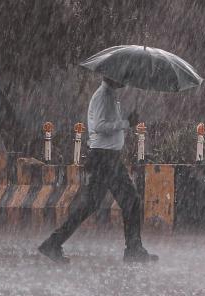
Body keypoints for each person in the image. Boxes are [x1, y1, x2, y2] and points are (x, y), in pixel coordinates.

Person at [38, 77, 159, 264]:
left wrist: (127, 122)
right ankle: (133, 249)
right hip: (105, 158)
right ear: (111, 76)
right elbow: (99, 126)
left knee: (91, 204)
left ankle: (53, 242)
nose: (125, 81)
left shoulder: (110, 96)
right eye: (122, 77)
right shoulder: (103, 96)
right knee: (131, 200)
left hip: (107, 157)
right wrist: (126, 123)